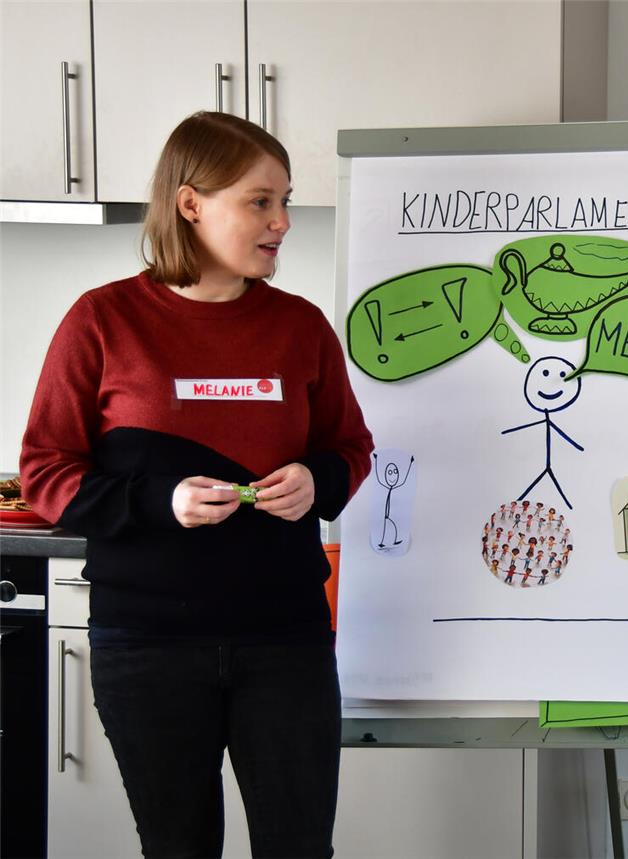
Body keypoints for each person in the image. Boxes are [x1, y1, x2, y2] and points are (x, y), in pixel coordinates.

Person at [20, 111, 374, 858]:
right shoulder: (102, 321)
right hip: (147, 643)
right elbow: (47, 471)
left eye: (285, 200)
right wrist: (161, 500)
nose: (282, 220)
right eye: (260, 201)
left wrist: (318, 478)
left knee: (300, 846)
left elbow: (351, 445)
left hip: (285, 638)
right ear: (191, 204)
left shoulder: (302, 326)